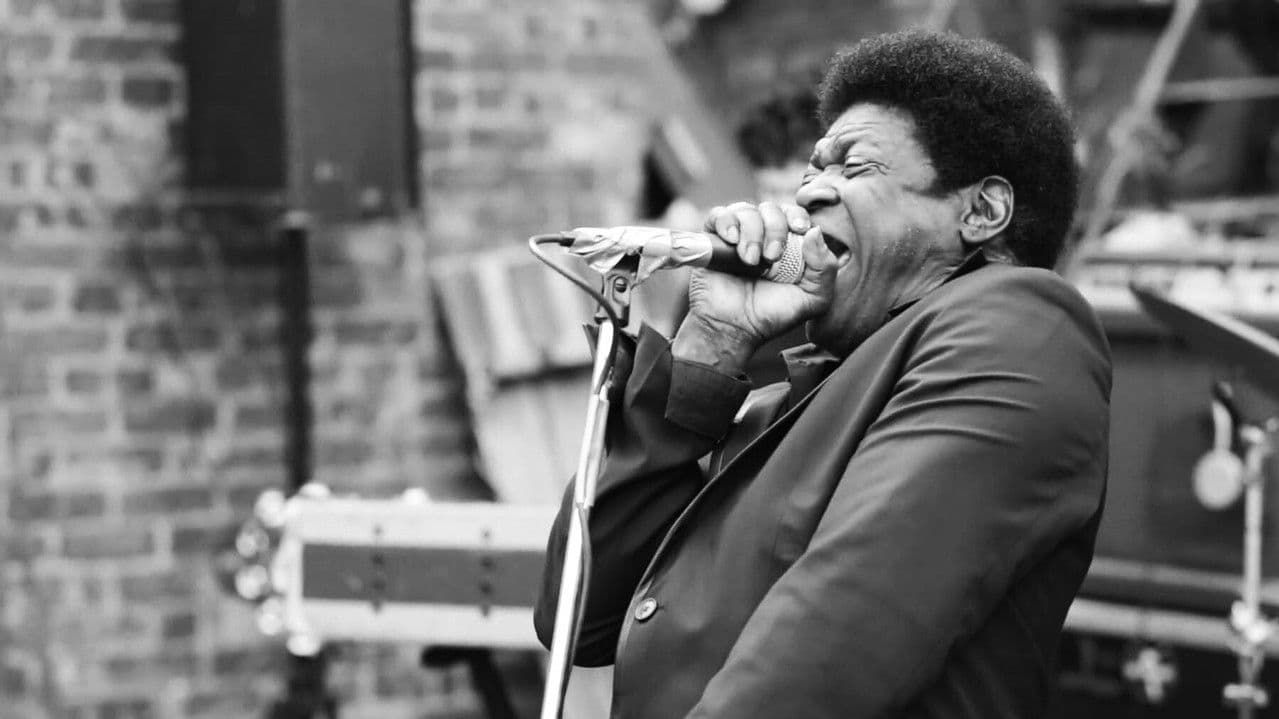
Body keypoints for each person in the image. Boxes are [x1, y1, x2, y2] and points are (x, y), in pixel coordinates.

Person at [536, 29, 1111, 719]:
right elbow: (577, 618)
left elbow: (838, 636)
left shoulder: (1017, 324)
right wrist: (711, 346)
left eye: (853, 167)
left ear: (981, 211)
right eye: (813, 168)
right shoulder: (794, 396)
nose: (808, 193)